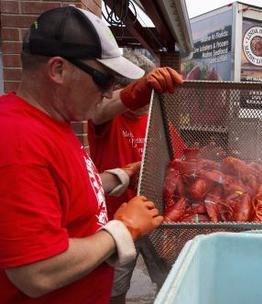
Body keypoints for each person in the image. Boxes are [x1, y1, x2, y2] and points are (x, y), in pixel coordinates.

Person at [0, 7, 164, 303]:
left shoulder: (56, 121)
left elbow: (57, 192)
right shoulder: (18, 141)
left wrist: (116, 177)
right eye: (104, 79)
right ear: (58, 69)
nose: (109, 91)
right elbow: (36, 272)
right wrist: (121, 230)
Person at [88, 52, 183, 304]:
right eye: (139, 90)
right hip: (117, 222)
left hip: (157, 223)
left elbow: (181, 165)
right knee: (114, 291)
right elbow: (99, 111)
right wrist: (135, 91)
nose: (144, 99)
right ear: (120, 88)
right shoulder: (106, 119)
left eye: (148, 91)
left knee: (170, 282)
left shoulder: (160, 123)